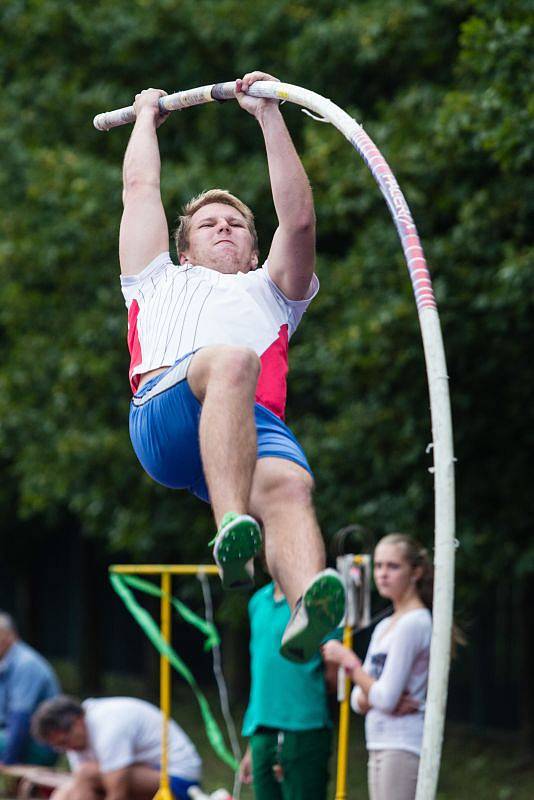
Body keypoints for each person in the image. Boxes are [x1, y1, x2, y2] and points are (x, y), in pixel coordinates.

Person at [119, 69, 344, 662]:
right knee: (233, 361)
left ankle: (303, 610)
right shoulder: (154, 279)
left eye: (237, 224)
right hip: (165, 411)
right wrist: (146, 117)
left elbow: (297, 221)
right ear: (184, 248)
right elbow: (141, 187)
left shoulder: (272, 292)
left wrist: (269, 115)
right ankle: (231, 531)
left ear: (252, 249)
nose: (224, 228)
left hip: (248, 428)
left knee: (292, 486)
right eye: (208, 224)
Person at [322, 533, 434, 800]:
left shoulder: (415, 623)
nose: (383, 574)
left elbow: (382, 697)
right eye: (379, 566)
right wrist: (375, 692)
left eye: (393, 567)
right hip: (380, 740)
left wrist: (350, 664)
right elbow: (358, 701)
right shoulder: (385, 626)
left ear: (415, 572)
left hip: (403, 743)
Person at [238, 580, 339, 799]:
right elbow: (263, 678)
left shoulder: (319, 599)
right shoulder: (257, 601)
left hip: (306, 730)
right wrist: (252, 747)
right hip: (262, 735)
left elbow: (334, 677)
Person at [31, 695, 201, 800]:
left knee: (86, 774)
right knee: (66, 792)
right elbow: (79, 786)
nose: (66, 749)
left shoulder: (108, 724)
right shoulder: (77, 736)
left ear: (77, 722)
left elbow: (118, 794)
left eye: (64, 742)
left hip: (179, 780)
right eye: (59, 747)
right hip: (144, 772)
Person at [0, 611, 60, 766]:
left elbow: (21, 718)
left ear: (9, 635)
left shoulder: (25, 664)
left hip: (41, 744)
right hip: (16, 736)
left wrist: (7, 762)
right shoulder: (6, 662)